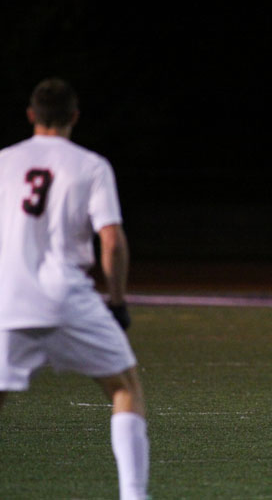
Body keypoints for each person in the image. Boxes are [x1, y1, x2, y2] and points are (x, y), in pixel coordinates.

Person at [0, 78, 149, 500]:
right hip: (66, 297)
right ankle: (134, 494)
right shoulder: (90, 165)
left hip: (7, 298)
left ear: (31, 115)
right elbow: (113, 241)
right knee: (124, 386)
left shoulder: (4, 161)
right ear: (74, 117)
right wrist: (117, 302)